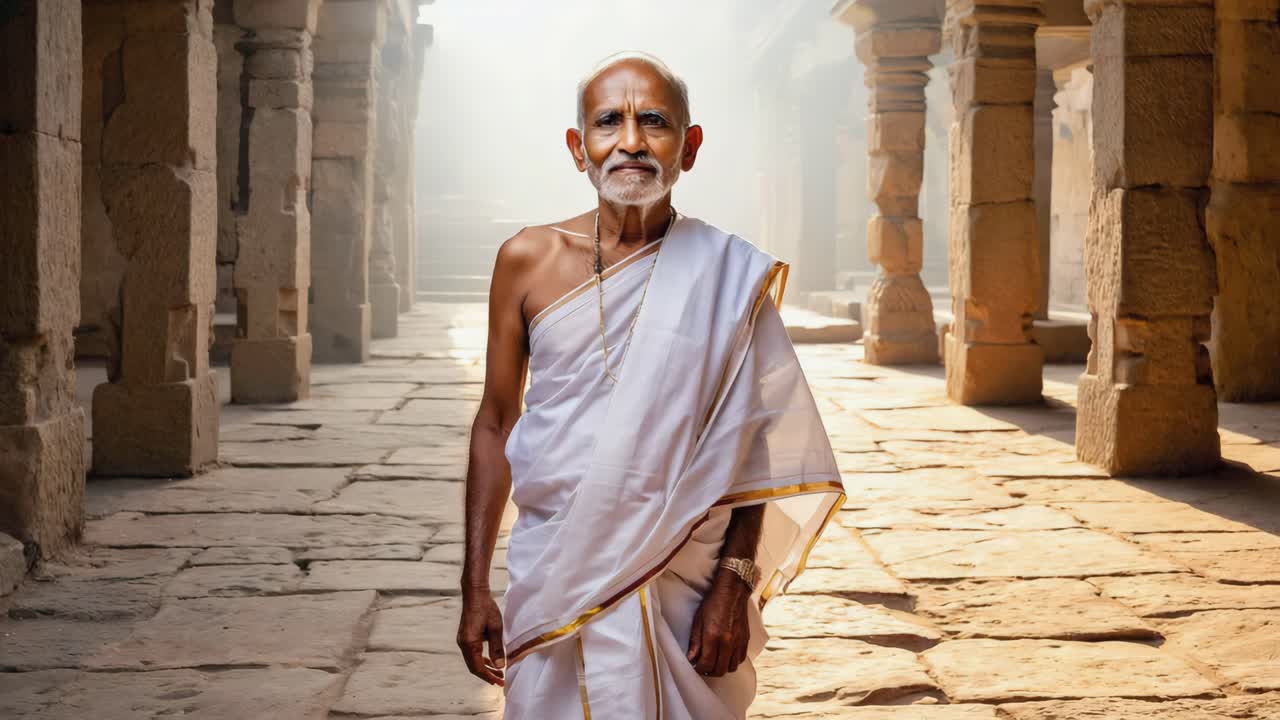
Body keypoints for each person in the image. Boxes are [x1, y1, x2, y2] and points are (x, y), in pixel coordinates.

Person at [458, 51, 844, 719]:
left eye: (655, 122)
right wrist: (473, 587)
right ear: (579, 148)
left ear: (688, 147)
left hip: (688, 588)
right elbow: (495, 422)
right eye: (609, 122)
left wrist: (735, 581)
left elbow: (759, 445)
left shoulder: (728, 275)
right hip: (557, 566)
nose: (631, 142)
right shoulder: (526, 261)